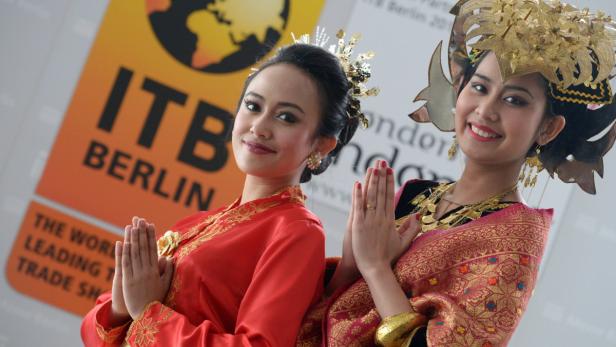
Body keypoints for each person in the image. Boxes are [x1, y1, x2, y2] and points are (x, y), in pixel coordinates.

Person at [296, 1, 616, 346]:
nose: (486, 110)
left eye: (515, 100)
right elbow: (330, 313)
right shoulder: (415, 194)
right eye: (479, 87)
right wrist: (350, 262)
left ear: (548, 129)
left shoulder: (515, 244)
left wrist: (375, 267)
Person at [81, 30, 378, 347]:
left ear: (321, 144)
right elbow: (94, 331)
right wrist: (120, 307)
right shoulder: (198, 223)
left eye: (286, 117)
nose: (260, 127)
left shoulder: (296, 232)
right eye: (253, 106)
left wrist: (148, 312)